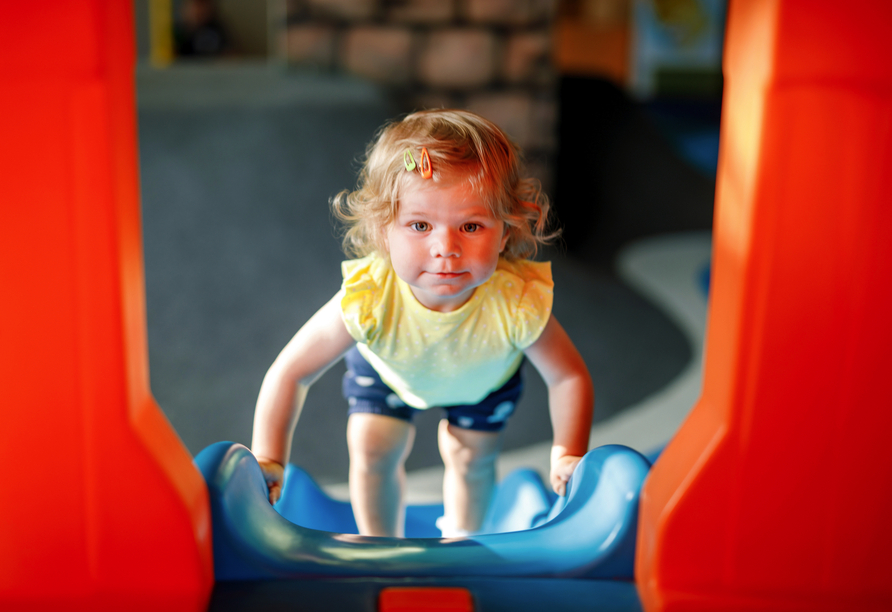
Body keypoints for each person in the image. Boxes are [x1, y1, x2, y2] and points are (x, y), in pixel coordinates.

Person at [251, 109, 593, 538]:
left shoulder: (515, 301)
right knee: (373, 447)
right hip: (391, 372)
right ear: (383, 230)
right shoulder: (372, 299)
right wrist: (269, 456)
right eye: (419, 225)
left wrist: (568, 453)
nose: (445, 248)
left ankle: (464, 540)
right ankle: (380, 543)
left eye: (471, 225)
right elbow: (291, 372)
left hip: (481, 381)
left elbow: (568, 377)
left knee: (471, 459)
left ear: (504, 232)